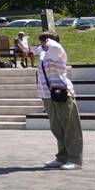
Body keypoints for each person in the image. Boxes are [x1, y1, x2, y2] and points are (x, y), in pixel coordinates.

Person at [37, 32, 83, 170]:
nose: (42, 44)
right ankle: (62, 157)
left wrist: (49, 41)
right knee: (57, 127)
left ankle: (75, 159)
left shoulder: (57, 51)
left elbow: (55, 47)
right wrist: (43, 47)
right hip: (48, 94)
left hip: (62, 92)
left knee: (70, 127)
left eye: (44, 41)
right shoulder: (44, 55)